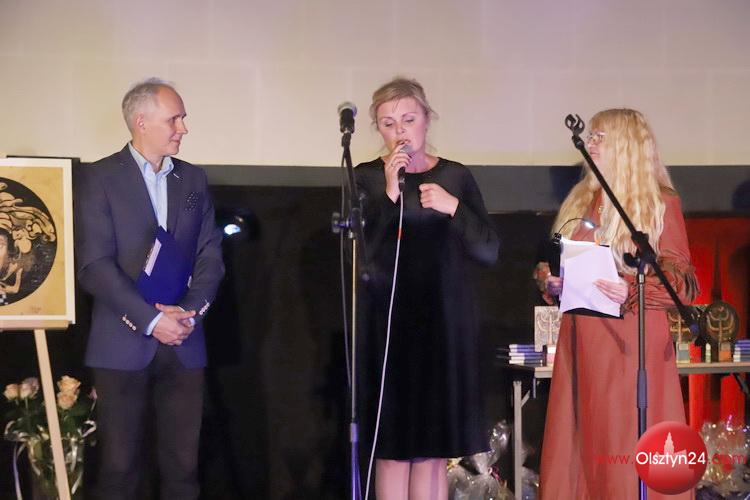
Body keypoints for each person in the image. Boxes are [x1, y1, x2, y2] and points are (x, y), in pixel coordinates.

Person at [537, 108, 698, 499]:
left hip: (629, 342)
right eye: (590, 136)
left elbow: (683, 283)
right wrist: (551, 280)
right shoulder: (583, 200)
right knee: (581, 445)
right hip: (581, 340)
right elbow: (558, 260)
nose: (590, 144)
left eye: (599, 137)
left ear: (626, 146)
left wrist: (632, 290)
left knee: (622, 441)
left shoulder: (660, 202)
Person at [75, 78, 224, 499]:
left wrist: (189, 314)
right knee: (119, 469)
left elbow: (211, 256)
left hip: (185, 339)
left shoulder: (193, 180)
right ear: (141, 122)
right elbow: (94, 266)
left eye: (182, 119)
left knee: (184, 470)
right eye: (174, 119)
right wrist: (152, 320)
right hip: (121, 342)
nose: (183, 128)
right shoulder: (99, 178)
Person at [356, 77, 499, 499]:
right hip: (389, 330)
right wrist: (389, 194)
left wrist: (454, 207)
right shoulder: (366, 177)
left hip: (443, 328)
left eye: (408, 119)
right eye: (388, 124)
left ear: (427, 119)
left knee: (433, 453)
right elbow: (360, 254)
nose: (400, 131)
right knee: (393, 451)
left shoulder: (455, 175)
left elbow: (489, 249)